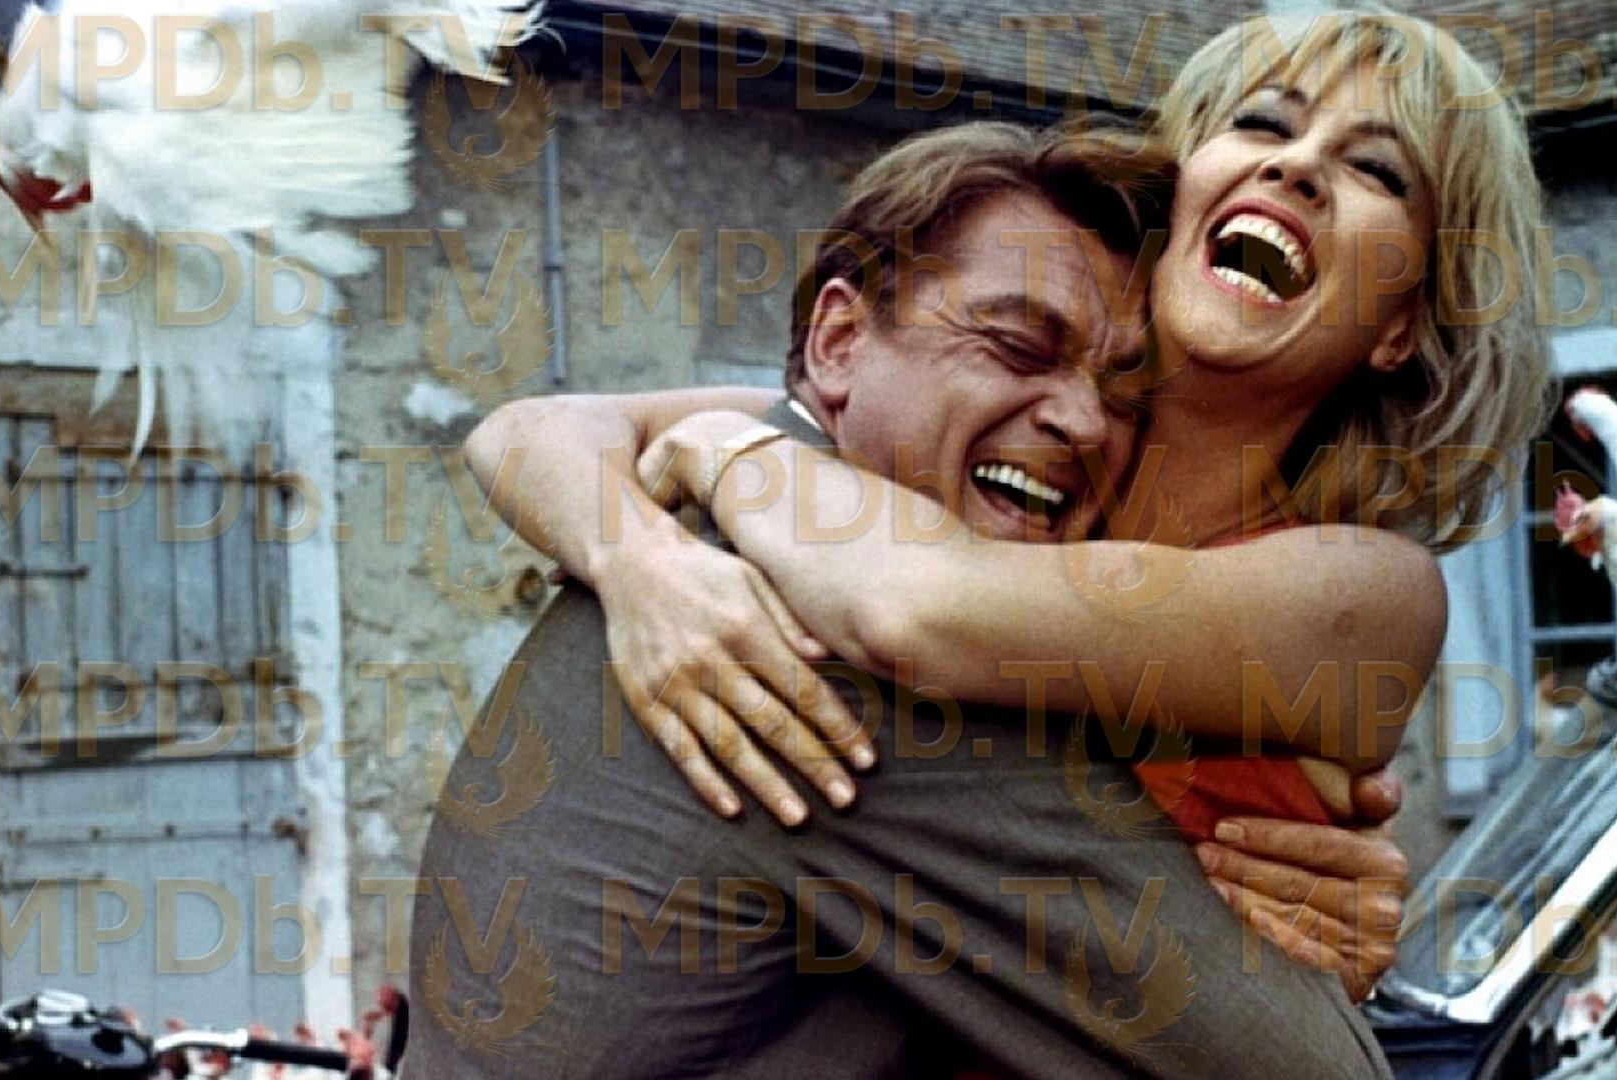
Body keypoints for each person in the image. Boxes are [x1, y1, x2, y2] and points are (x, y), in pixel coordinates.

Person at [469, 3, 1552, 993]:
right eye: (1264, 123)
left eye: (1375, 171)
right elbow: (531, 431)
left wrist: (721, 450)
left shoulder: (1368, 593)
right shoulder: (1033, 471)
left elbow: (915, 612)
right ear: (1180, 194)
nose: (1299, 167)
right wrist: (643, 566)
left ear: (1402, 326)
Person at [409, 119, 1410, 1078]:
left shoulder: (739, 508)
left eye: (1122, 392)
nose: (1081, 421)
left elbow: (548, 427)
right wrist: (1299, 961)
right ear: (841, 341)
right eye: (1018, 348)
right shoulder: (831, 648)